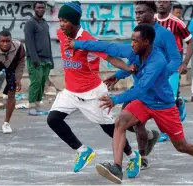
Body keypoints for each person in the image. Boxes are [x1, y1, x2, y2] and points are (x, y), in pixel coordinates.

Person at [94, 23, 193, 184]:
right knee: (120, 122)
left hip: (164, 106)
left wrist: (115, 99)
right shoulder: (137, 52)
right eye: (131, 40)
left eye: (135, 40)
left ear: (146, 42)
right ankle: (117, 168)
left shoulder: (157, 60)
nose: (131, 43)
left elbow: (140, 88)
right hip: (145, 102)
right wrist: (78, 44)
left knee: (181, 146)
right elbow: (129, 65)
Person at [66, 1, 181, 170]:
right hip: (140, 90)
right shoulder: (138, 35)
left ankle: (142, 154)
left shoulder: (164, 35)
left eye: (141, 12)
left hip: (157, 92)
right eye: (136, 13)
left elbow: (175, 59)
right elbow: (127, 58)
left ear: (152, 13)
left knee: (176, 141)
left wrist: (162, 74)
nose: (137, 16)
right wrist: (119, 75)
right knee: (132, 122)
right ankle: (143, 151)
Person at [47, 1, 141, 178]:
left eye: (65, 20)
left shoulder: (88, 40)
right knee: (53, 119)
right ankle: (82, 151)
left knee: (110, 129)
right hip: (70, 92)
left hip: (92, 93)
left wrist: (128, 68)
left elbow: (110, 57)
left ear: (74, 22)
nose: (61, 24)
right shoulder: (61, 34)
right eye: (60, 20)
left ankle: (133, 156)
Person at [155, 0, 193, 142]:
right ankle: (180, 102)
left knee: (166, 98)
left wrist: (184, 62)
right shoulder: (151, 20)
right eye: (159, 1)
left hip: (172, 64)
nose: (161, 4)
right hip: (155, 65)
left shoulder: (177, 22)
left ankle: (165, 131)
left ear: (170, 4)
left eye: (164, 2)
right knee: (157, 97)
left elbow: (190, 41)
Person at [24, 1, 54, 116]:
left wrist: (51, 59)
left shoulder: (44, 23)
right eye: (38, 7)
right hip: (35, 59)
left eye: (42, 7)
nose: (41, 9)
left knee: (42, 84)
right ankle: (31, 107)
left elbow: (48, 42)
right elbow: (29, 42)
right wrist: (35, 59)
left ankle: (37, 106)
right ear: (34, 9)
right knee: (36, 82)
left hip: (46, 59)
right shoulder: (30, 23)